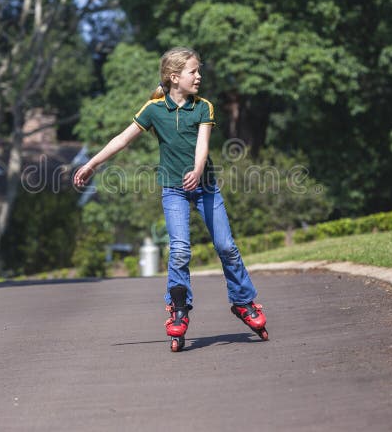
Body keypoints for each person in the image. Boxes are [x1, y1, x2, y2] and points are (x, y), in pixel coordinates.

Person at [73, 46, 268, 351]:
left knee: (226, 246)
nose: (199, 76)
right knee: (179, 250)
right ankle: (178, 308)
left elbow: (203, 144)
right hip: (174, 190)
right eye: (194, 71)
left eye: (199, 71)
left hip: (205, 187)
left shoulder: (203, 107)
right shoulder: (153, 109)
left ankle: (243, 301)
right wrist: (91, 164)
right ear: (174, 77)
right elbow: (122, 139)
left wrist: (197, 169)